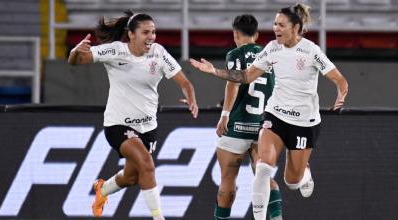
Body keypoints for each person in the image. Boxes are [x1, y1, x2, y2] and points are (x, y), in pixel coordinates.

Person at [190, 3, 348, 220]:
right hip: (274, 115)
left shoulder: (311, 50)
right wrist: (214, 71)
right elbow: (245, 76)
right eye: (274, 24)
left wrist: (341, 93)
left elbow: (339, 78)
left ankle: (304, 172)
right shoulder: (272, 48)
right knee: (263, 168)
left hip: (304, 121)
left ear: (296, 27)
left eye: (281, 25)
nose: (276, 28)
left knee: (292, 182)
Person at [68, 10, 199, 220]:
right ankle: (158, 217)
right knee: (147, 165)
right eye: (146, 32)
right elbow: (75, 61)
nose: (151, 37)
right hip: (117, 124)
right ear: (131, 34)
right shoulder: (115, 51)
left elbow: (184, 82)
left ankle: (102, 190)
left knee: (131, 177)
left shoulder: (158, 52)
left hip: (148, 126)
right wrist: (76, 50)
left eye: (154, 32)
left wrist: (191, 98)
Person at [214, 14, 282, 220]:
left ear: (235, 33)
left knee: (227, 180)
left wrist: (224, 115)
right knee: (264, 177)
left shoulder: (235, 54)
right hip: (263, 127)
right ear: (257, 34)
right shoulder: (270, 54)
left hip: (236, 126)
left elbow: (233, 83)